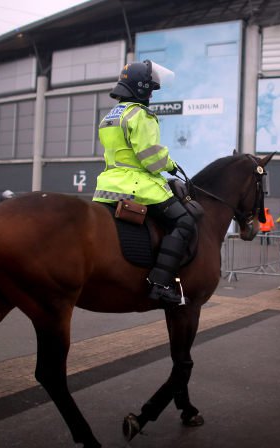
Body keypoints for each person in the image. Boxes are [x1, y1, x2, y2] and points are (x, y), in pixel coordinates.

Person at [92, 59, 195, 306]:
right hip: (137, 185)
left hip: (108, 186)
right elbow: (150, 157)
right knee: (184, 220)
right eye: (149, 89)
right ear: (140, 89)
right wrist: (170, 164)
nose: (151, 95)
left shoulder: (110, 117)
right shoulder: (141, 115)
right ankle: (160, 284)